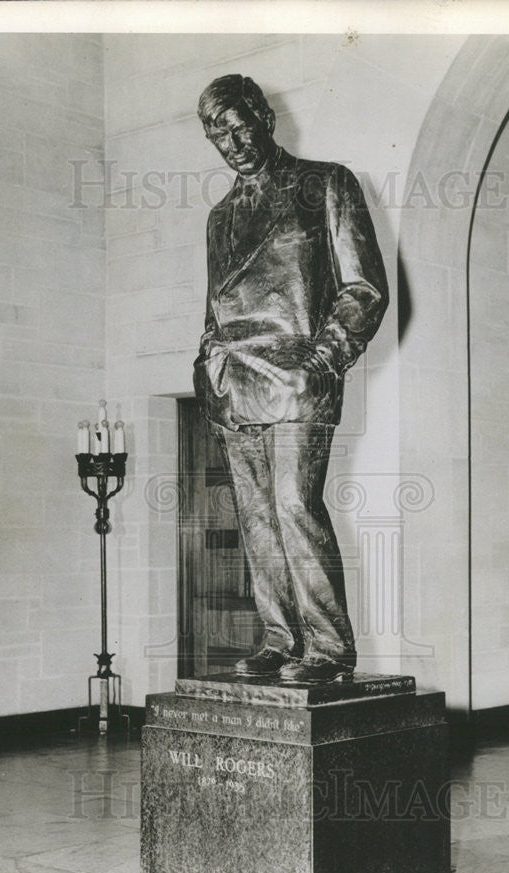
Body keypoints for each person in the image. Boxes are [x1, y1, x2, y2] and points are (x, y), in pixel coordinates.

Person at [193, 74, 388, 684]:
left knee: (294, 505)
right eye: (216, 132)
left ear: (264, 117)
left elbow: (364, 287)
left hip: (299, 375)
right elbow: (214, 310)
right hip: (235, 384)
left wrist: (324, 359)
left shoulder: (325, 183)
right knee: (255, 518)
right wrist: (207, 363)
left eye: (239, 123)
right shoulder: (219, 216)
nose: (233, 140)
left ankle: (329, 648)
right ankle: (278, 639)